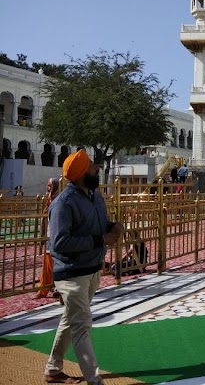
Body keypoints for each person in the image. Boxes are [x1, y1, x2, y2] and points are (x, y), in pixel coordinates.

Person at [44, 149, 123, 385]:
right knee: (82, 325)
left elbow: (96, 225)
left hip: (90, 268)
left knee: (71, 320)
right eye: (91, 166)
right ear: (80, 174)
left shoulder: (94, 195)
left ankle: (53, 369)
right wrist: (99, 240)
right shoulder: (63, 204)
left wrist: (113, 226)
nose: (96, 169)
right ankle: (94, 380)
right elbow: (59, 242)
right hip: (71, 274)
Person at [36, 177, 61, 299]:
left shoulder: (60, 200)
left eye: (50, 186)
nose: (47, 188)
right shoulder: (51, 199)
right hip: (51, 235)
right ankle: (44, 288)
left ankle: (56, 286)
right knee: (48, 262)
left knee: (56, 262)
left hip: (57, 235)